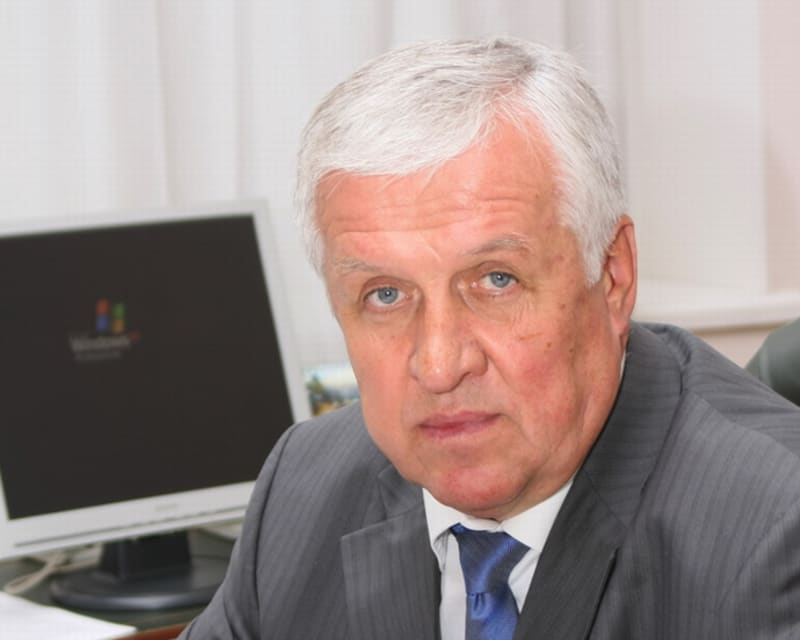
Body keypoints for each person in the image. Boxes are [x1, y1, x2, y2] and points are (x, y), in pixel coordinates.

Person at [179, 36, 800, 639]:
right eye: (385, 294)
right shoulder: (304, 485)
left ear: (613, 275)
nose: (440, 365)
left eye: (496, 280)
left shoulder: (777, 530)